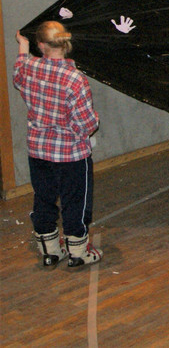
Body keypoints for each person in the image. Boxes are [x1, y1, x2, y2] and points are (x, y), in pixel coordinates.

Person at [13, 22, 103, 268]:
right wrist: (95, 120)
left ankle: (50, 251)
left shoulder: (30, 68)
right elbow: (86, 124)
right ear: (65, 43)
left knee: (43, 199)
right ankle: (78, 252)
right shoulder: (75, 79)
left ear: (40, 45)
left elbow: (18, 75)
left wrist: (23, 45)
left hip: (38, 152)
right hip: (71, 155)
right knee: (75, 202)